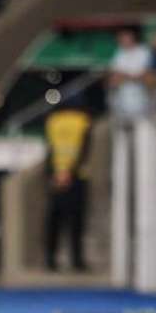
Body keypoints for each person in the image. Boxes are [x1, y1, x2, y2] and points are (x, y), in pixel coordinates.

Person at [44, 103, 92, 272]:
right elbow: (84, 150)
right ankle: (76, 260)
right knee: (76, 221)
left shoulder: (53, 120)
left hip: (57, 176)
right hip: (76, 177)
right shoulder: (83, 121)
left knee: (54, 220)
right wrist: (70, 173)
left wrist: (54, 174)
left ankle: (50, 259)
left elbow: (49, 150)